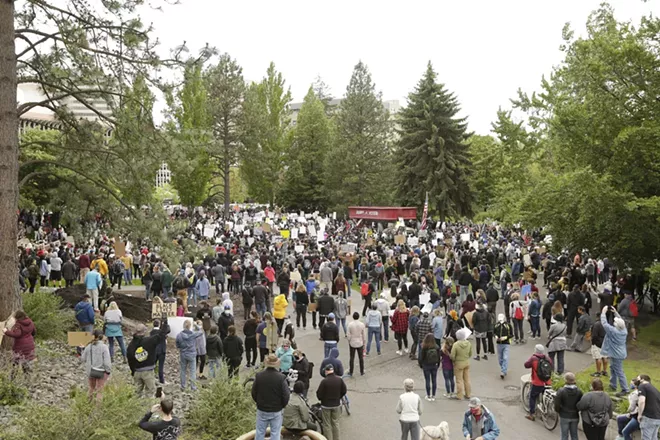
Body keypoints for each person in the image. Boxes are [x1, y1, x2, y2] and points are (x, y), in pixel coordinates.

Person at [252, 354, 290, 440]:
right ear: (277, 364)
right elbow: (286, 395)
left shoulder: (259, 376)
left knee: (260, 432)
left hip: (262, 409)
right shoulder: (281, 378)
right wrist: (282, 406)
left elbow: (253, 392)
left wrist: (258, 402)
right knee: (275, 433)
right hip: (276, 410)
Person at [600, 306, 629, 397]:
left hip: (616, 354)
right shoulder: (624, 331)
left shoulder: (613, 331)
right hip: (619, 353)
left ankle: (625, 389)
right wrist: (615, 312)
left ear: (616, 325)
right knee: (613, 368)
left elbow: (604, 323)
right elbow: (621, 321)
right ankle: (613, 385)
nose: (614, 322)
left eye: (615, 322)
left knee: (619, 371)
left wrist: (603, 313)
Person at [316, 364, 347, 440]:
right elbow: (344, 390)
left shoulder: (324, 381)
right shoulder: (339, 380)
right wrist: (339, 397)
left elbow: (319, 393)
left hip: (326, 405)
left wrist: (321, 399)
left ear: (326, 371)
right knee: (335, 423)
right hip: (336, 404)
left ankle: (328, 438)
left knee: (327, 424)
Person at [524, 344, 553, 421]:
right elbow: (551, 366)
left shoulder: (534, 358)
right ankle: (543, 412)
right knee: (545, 396)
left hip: (537, 382)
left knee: (532, 396)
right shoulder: (547, 358)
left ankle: (532, 414)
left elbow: (526, 365)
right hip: (547, 381)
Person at [81, 329, 111, 400]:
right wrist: (108, 371)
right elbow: (107, 362)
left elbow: (83, 359)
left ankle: (87, 405)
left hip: (90, 371)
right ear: (102, 336)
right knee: (100, 391)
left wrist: (82, 350)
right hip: (101, 371)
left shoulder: (89, 346)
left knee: (91, 388)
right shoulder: (104, 347)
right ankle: (97, 409)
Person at [175, 319, 204, 391]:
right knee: (192, 371)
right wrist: (196, 325)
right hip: (192, 354)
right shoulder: (193, 334)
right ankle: (193, 387)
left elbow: (177, 345)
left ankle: (183, 386)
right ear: (190, 326)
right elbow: (201, 332)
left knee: (183, 370)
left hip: (183, 354)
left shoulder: (179, 335)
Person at [554, 372, 583, 440]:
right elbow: (581, 404)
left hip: (564, 415)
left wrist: (559, 411)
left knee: (564, 436)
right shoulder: (579, 392)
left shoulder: (561, 391)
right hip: (575, 416)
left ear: (566, 380)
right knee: (574, 435)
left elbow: (557, 404)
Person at [451, 327, 473, 401]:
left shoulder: (456, 344)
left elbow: (452, 355)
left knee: (459, 380)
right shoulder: (468, 343)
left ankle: (459, 395)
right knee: (467, 379)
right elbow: (470, 353)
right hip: (466, 362)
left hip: (458, 363)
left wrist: (454, 361)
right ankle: (468, 394)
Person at [637, 374, 660, 440]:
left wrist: (639, 414)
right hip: (657, 418)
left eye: (638, 379)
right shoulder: (655, 389)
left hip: (648, 417)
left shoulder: (642, 386)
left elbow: (641, 401)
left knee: (646, 438)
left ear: (642, 379)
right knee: (654, 438)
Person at [419, 333, 440, 401]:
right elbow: (439, 357)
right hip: (434, 365)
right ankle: (433, 395)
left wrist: (421, 365)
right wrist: (438, 364)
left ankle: (428, 395)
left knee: (427, 380)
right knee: (434, 380)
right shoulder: (436, 347)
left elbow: (421, 357)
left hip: (426, 365)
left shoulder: (424, 347)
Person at [590, 311, 609, 378]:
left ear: (597, 316)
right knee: (605, 357)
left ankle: (598, 371)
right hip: (605, 342)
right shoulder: (606, 324)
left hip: (598, 343)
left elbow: (594, 335)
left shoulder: (597, 324)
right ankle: (604, 371)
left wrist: (593, 342)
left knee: (598, 358)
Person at [347, 312, 365, 377]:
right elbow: (363, 334)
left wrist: (349, 340)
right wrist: (364, 342)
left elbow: (348, 335)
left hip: (352, 342)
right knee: (361, 358)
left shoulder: (350, 325)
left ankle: (351, 371)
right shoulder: (362, 324)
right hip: (360, 342)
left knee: (352, 358)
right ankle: (362, 371)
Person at [493, 314, 512, 379]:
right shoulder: (496, 325)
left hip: (506, 343)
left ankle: (503, 371)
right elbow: (494, 332)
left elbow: (511, 334)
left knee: (505, 357)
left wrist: (505, 337)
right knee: (500, 359)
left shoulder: (508, 325)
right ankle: (504, 368)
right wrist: (495, 336)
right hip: (499, 344)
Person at [150, 319, 168, 385]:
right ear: (159, 324)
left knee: (152, 365)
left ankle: (151, 377)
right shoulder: (162, 332)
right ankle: (161, 380)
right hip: (162, 350)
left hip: (154, 350)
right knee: (161, 366)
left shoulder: (151, 332)